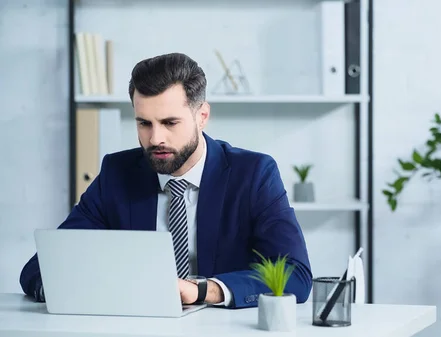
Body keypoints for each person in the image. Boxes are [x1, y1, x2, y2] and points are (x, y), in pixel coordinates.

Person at [19, 52, 313, 308]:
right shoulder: (117, 173)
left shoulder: (254, 174)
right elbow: (40, 268)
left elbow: (295, 275)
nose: (155, 138)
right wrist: (73, 291)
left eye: (170, 123)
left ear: (202, 116)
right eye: (144, 123)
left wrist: (202, 291)